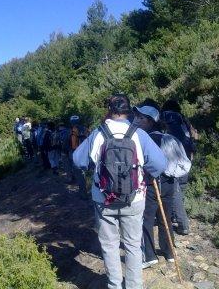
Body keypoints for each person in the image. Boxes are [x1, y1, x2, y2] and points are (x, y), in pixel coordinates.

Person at [74, 94, 167, 289]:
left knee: (109, 246)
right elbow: (160, 164)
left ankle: (114, 285)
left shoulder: (98, 133)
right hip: (134, 198)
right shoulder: (139, 134)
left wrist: (95, 166)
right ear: (129, 111)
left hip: (103, 198)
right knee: (133, 245)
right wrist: (147, 174)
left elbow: (78, 160)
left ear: (109, 110)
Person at [133, 100, 191, 269]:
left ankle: (150, 255)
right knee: (165, 217)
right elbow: (183, 164)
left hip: (150, 185)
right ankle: (169, 252)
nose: (137, 120)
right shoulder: (169, 138)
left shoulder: (143, 140)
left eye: (141, 118)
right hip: (169, 183)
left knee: (147, 219)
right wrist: (171, 174)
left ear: (150, 121)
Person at [161, 99, 196, 235]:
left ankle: (182, 223)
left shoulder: (167, 117)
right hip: (186, 157)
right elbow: (190, 137)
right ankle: (176, 216)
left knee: (174, 190)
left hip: (174, 158)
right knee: (181, 187)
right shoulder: (183, 119)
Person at [67, 115, 89, 199]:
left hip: (77, 154)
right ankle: (87, 190)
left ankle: (83, 193)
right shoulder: (85, 129)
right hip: (86, 153)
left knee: (79, 174)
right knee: (85, 174)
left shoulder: (74, 130)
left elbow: (73, 145)